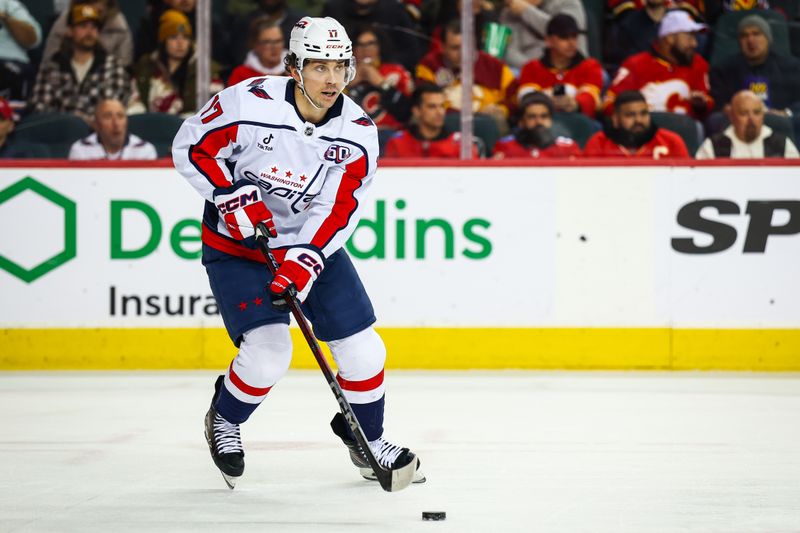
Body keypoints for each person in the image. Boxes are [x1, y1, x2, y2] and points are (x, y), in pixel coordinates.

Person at [171, 16, 424, 489]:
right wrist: (227, 194)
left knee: (365, 351)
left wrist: (305, 259)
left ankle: (367, 438)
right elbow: (192, 147)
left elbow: (338, 206)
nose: (332, 79)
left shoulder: (357, 132)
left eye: (340, 67)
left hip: (310, 244)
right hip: (238, 245)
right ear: (294, 67)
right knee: (269, 354)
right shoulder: (247, 103)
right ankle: (225, 419)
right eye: (320, 66)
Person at [28, 3, 132, 125]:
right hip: (60, 134)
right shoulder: (52, 66)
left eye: (94, 27)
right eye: (83, 26)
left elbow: (117, 106)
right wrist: (73, 121)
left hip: (99, 136)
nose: (89, 32)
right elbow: (40, 108)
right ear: (69, 31)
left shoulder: (113, 66)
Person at [603, 9, 712, 120]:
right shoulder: (636, 64)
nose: (694, 43)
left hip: (684, 132)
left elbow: (708, 102)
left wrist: (701, 105)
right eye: (689, 37)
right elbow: (610, 102)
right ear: (670, 38)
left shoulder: (698, 64)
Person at [709, 15, 800, 136]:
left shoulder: (792, 67)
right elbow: (720, 103)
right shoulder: (724, 70)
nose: (750, 40)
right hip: (739, 125)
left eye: (756, 34)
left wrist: (786, 113)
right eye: (744, 36)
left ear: (768, 38)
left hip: (784, 124)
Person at [416, 19, 515, 127]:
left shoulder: (496, 67)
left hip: (488, 123)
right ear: (443, 48)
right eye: (455, 48)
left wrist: (501, 109)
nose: (463, 53)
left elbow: (514, 99)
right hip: (446, 123)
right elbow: (424, 102)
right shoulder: (429, 66)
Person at [131, 9, 223, 116]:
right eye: (173, 37)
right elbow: (134, 104)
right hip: (152, 128)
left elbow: (216, 108)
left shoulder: (206, 70)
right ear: (163, 41)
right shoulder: (146, 67)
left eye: (185, 37)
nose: (180, 43)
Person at [516, 14, 603, 117]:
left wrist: (576, 103)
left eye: (574, 37)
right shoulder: (531, 68)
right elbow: (525, 98)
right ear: (548, 41)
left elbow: (592, 96)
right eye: (564, 37)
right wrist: (547, 102)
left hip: (577, 121)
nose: (572, 43)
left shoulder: (590, 66)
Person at [345, 25, 413, 130]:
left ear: (380, 46)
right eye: (360, 44)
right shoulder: (341, 74)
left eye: (371, 43)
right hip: (351, 134)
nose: (366, 49)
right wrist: (347, 85)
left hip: (389, 133)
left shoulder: (396, 72)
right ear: (353, 48)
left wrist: (382, 83)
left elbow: (407, 114)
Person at [584, 90, 690, 158]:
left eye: (643, 114)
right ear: (616, 119)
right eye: (630, 115)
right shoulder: (598, 143)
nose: (638, 120)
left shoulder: (671, 141)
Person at [696, 90, 799, 158]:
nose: (751, 119)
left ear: (763, 115)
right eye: (744, 113)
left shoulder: (782, 144)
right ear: (732, 117)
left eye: (757, 112)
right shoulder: (712, 146)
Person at [383, 83, 477, 158]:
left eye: (442, 106)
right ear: (417, 111)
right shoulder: (398, 143)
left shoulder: (461, 144)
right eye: (432, 107)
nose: (440, 112)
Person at [498, 0, 589, 70]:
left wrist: (526, 11)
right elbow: (510, 53)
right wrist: (537, 69)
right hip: (526, 70)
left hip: (569, 66)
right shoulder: (510, 12)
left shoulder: (568, 3)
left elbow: (564, 30)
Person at [42, 0, 134, 68]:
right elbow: (48, 64)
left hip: (107, 81)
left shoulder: (119, 26)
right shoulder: (64, 23)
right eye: (82, 25)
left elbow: (125, 65)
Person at [493, 92, 582, 158]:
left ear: (551, 120)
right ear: (521, 122)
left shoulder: (568, 148)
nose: (538, 121)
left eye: (544, 116)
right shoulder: (506, 146)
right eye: (532, 117)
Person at [68, 98, 158, 160]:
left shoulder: (144, 149)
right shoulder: (80, 149)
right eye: (108, 116)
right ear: (96, 124)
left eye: (120, 116)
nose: (116, 123)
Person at [0, 0, 42, 106]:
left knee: (12, 72)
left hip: (10, 64)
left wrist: (5, 18)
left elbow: (32, 41)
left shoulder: (7, 4)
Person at [227, 18, 288, 86]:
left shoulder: (295, 73)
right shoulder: (241, 75)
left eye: (278, 41)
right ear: (255, 44)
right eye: (267, 42)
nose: (274, 47)